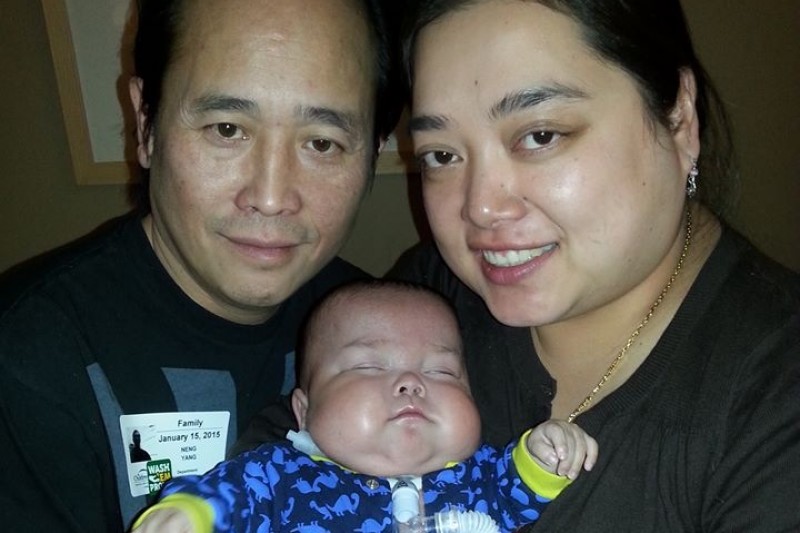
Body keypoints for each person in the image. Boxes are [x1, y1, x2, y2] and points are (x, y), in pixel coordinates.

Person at [386, 0, 800, 531]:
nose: (481, 208)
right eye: (441, 156)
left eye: (540, 135)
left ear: (679, 119)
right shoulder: (428, 298)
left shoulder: (775, 396)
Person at [0, 0, 402, 530]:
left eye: (322, 143)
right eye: (226, 129)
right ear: (146, 123)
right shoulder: (26, 360)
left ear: (373, 152)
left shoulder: (387, 334)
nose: (271, 197)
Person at [129, 280, 598, 532]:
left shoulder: (479, 478)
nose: (411, 383)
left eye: (441, 372)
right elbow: (225, 494)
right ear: (304, 411)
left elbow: (516, 490)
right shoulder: (279, 477)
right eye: (369, 366)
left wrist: (542, 455)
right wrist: (190, 515)